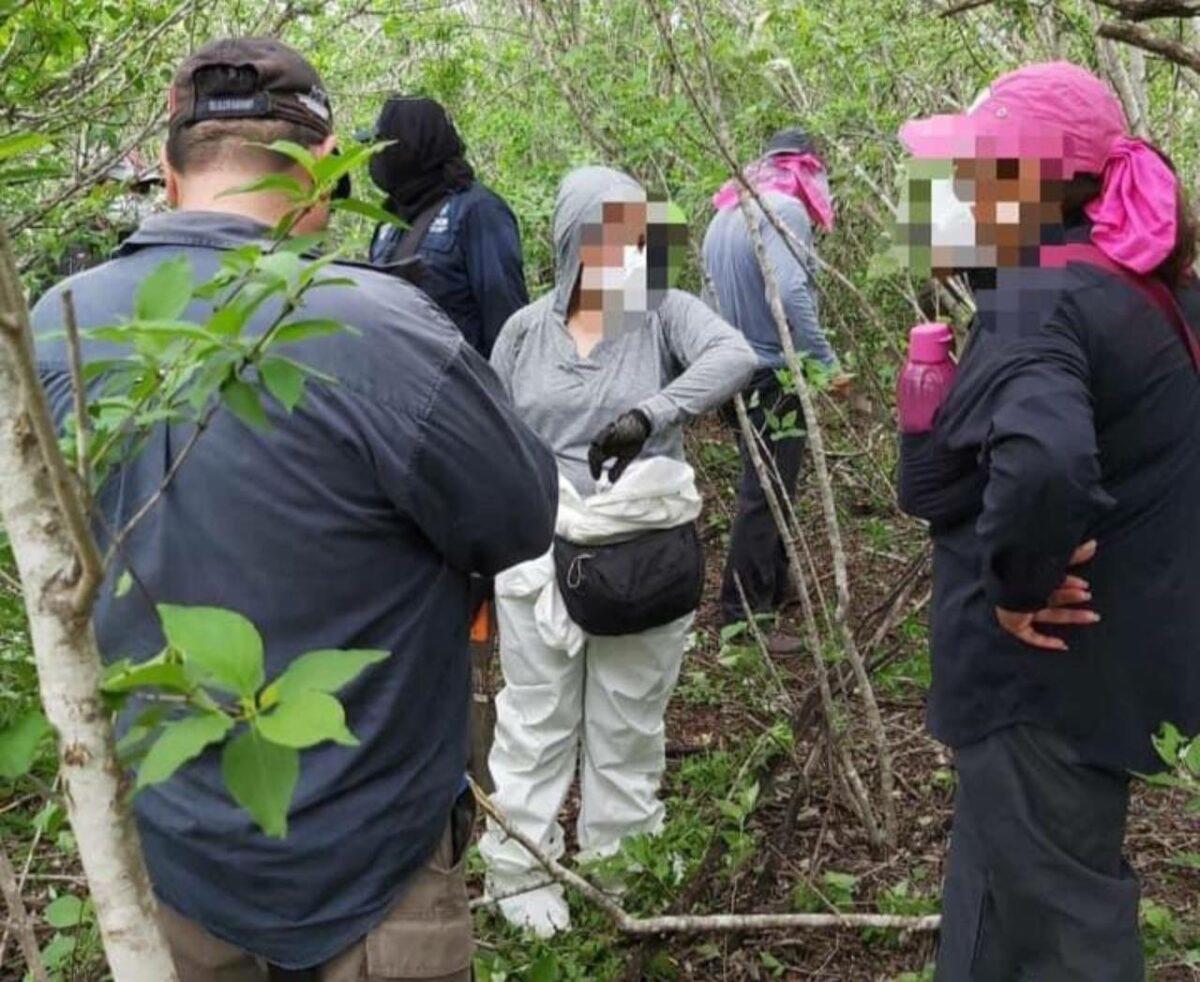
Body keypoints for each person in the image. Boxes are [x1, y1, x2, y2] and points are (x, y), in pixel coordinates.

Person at [30, 37, 558, 981]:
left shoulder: (52, 331)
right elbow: (519, 518)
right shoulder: (384, 331)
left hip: (164, 863)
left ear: (165, 171)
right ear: (326, 171)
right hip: (375, 870)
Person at [894, 62, 1200, 981]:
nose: (959, 190)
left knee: (1066, 928)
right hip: (1110, 667)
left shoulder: (1038, 300)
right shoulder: (1149, 288)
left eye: (975, 168)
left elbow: (1050, 461)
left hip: (1041, 682)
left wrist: (1014, 586)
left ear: (1025, 183)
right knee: (999, 903)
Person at [477, 166, 757, 937]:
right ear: (572, 243)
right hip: (540, 554)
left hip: (640, 556)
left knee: (628, 720)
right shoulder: (526, 332)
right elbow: (496, 431)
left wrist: (652, 412)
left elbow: (736, 355)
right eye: (606, 235)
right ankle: (522, 875)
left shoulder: (663, 310)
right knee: (535, 719)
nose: (623, 251)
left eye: (636, 234)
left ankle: (619, 870)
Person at [702, 128, 842, 653]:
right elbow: (789, 290)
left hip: (733, 369)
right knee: (765, 494)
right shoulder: (785, 210)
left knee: (767, 484)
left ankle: (774, 586)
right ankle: (745, 615)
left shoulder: (725, 212)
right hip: (773, 374)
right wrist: (825, 363)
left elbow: (707, 296)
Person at [367, 96, 528, 358]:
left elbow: (507, 321)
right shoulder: (389, 222)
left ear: (409, 147)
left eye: (379, 145)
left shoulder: (477, 211)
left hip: (463, 391)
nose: (374, 155)